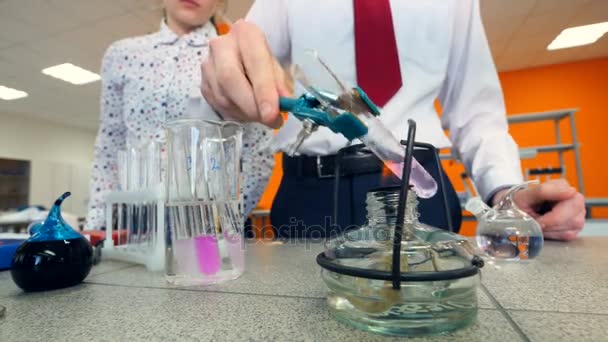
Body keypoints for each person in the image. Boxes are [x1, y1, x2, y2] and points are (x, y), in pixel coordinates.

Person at [200, 0, 585, 240]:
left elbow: (476, 110)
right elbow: (243, 59)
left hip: (419, 189)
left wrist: (507, 193)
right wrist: (226, 71)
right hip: (312, 192)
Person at [85, 0, 274, 230]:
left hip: (205, 222)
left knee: (204, 267)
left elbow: (258, 152)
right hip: (136, 219)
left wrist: (224, 223)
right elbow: (110, 144)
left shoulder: (233, 57)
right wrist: (96, 225)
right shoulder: (123, 55)